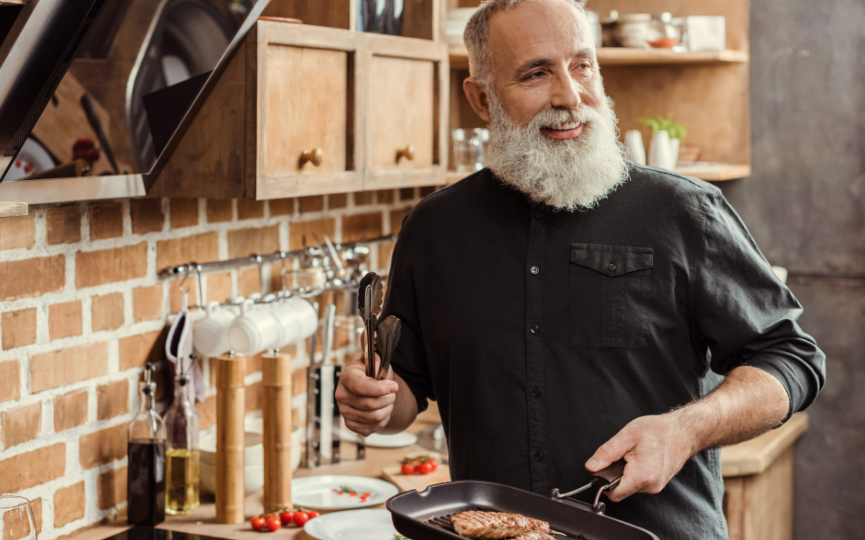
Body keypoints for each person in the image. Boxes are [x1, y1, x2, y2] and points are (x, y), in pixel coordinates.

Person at [335, 0, 826, 537]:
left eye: (582, 65)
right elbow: (407, 386)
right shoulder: (432, 230)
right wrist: (376, 401)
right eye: (535, 73)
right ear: (481, 98)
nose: (570, 96)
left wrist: (685, 430)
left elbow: (791, 360)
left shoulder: (684, 212)